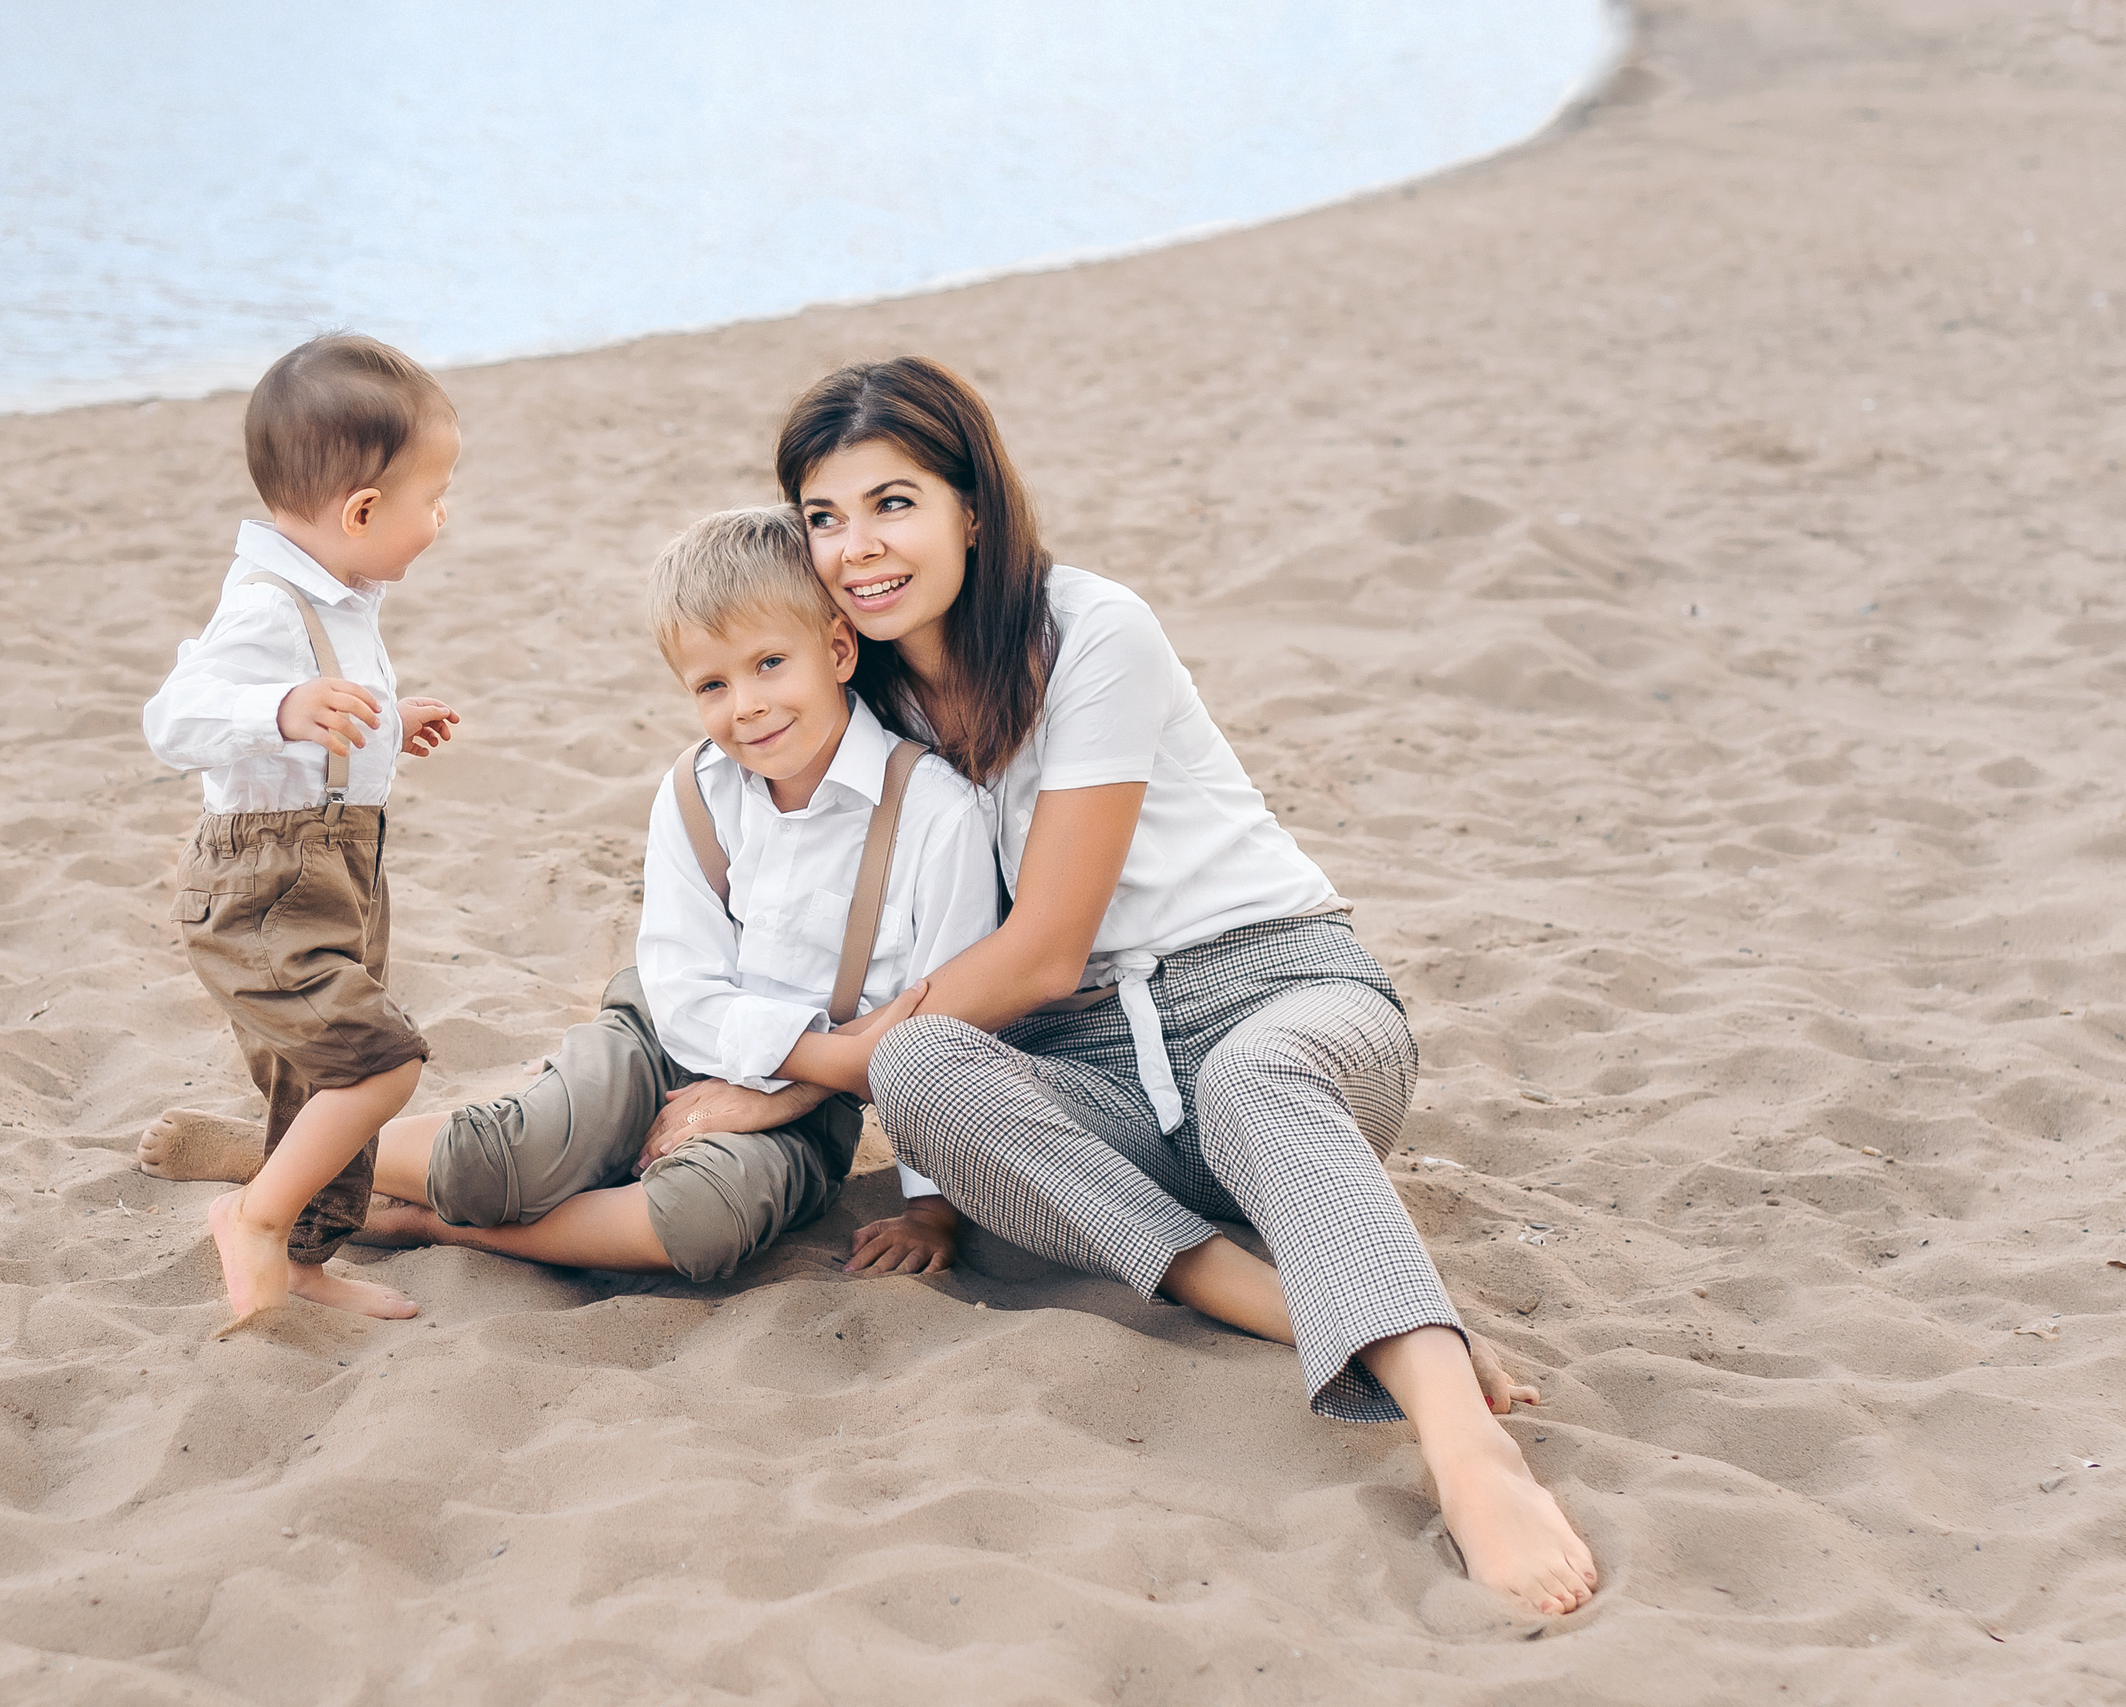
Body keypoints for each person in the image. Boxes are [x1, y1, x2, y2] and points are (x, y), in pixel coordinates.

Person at [759, 355, 1600, 1617]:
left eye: (892, 503)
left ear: (970, 507)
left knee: (1256, 1080)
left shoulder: (1092, 630)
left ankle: (1462, 1439)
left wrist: (803, 1065)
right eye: (823, 517)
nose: (856, 549)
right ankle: (1294, 1299)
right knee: (923, 1066)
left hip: (1277, 995)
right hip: (1088, 1071)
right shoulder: (856, 691)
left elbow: (1043, 946)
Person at [344, 505, 993, 1278]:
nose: (745, 704)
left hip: (813, 1106)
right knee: (510, 1157)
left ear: (839, 647)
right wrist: (810, 1053)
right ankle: (311, 1152)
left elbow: (946, 1026)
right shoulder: (697, 790)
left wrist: (931, 1206)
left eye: (770, 664)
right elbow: (682, 988)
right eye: (712, 683)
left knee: (699, 1222)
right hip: (660, 1037)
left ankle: (442, 1229)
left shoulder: (933, 812)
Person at [139, 334, 462, 1327]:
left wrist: (378, 730)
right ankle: (255, 1217)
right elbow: (172, 719)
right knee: (378, 1061)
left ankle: (310, 1259)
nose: (440, 521)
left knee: (309, 1080)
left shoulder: (342, 595)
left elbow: (329, 706)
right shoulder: (264, 609)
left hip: (337, 866)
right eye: (433, 499)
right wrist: (280, 711)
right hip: (263, 880)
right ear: (361, 512)